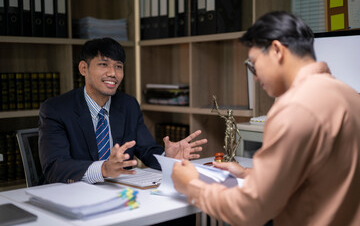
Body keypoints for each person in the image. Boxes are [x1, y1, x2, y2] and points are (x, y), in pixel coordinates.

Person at [171, 11, 360, 225]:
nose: (255, 76)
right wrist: (247, 174)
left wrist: (192, 186)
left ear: (277, 50)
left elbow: (250, 210)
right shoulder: (350, 96)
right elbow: (320, 180)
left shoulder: (294, 106)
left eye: (254, 63)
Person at [38, 37, 207, 184]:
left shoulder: (128, 105)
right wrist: (103, 169)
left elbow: (147, 150)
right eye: (103, 64)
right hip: (73, 193)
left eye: (118, 66)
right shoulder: (56, 109)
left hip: (119, 190)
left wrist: (167, 157)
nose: (113, 73)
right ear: (83, 69)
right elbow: (55, 167)